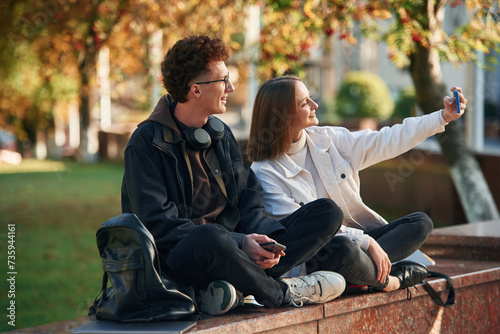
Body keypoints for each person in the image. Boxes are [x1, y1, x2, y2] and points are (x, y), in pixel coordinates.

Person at [121, 36, 348, 316]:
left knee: (327, 212)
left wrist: (262, 241)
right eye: (224, 80)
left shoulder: (220, 134)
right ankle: (281, 292)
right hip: (180, 263)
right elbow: (158, 224)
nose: (231, 87)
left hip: (236, 248)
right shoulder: (146, 143)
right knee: (210, 237)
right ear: (195, 90)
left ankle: (236, 289)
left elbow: (248, 197)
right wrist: (239, 242)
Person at [248, 75, 467, 293]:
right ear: (283, 115)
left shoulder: (330, 139)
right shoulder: (265, 171)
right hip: (321, 255)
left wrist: (442, 117)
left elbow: (387, 139)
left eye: (310, 98)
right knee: (341, 247)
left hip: (359, 244)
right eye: (304, 102)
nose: (315, 105)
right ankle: (392, 281)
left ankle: (361, 275)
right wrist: (367, 243)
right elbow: (306, 232)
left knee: (421, 222)